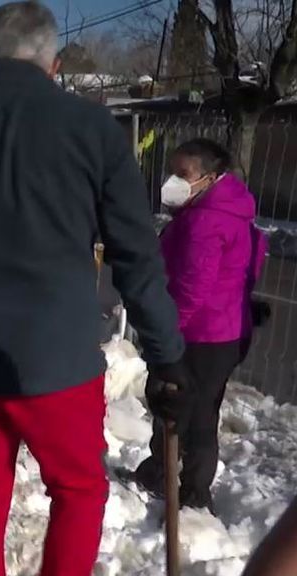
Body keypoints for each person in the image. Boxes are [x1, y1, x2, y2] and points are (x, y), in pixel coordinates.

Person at [0, 3, 187, 576]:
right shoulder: (93, 128)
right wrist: (166, 356)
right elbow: (135, 255)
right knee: (78, 492)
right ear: (55, 63)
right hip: (58, 365)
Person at [132, 139, 268, 513]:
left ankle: (186, 491)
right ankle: (170, 477)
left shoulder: (204, 221)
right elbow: (252, 263)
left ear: (209, 177)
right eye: (171, 171)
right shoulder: (231, 211)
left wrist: (166, 334)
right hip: (223, 332)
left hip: (197, 336)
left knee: (179, 406)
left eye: (182, 174)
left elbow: (191, 287)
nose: (172, 181)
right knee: (201, 409)